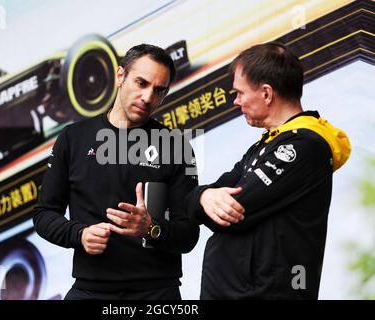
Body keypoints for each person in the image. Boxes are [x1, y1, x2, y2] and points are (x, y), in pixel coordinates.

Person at [33, 44, 199, 300]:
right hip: (91, 289)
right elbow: (44, 214)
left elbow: (188, 235)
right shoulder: (73, 138)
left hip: (156, 293)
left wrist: (150, 227)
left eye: (158, 90)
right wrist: (80, 234)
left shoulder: (176, 146)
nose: (147, 97)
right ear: (120, 76)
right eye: (141, 83)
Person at [186, 42, 351, 299]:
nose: (235, 101)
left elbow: (230, 213)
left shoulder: (304, 146)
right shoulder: (265, 145)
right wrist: (203, 197)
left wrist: (204, 201)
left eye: (240, 93)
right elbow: (196, 204)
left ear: (266, 93)